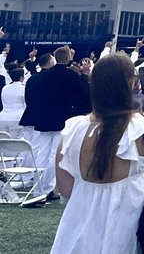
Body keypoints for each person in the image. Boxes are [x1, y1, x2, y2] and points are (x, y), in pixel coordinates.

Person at [49, 53, 144, 253]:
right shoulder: (142, 125)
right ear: (130, 84)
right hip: (126, 226)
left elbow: (66, 188)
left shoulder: (72, 129)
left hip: (77, 225)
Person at [21, 45, 91, 202]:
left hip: (43, 119)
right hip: (62, 119)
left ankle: (37, 188)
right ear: (68, 59)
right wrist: (85, 76)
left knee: (42, 153)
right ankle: (46, 189)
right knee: (55, 154)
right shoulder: (70, 76)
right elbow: (84, 96)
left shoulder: (41, 77)